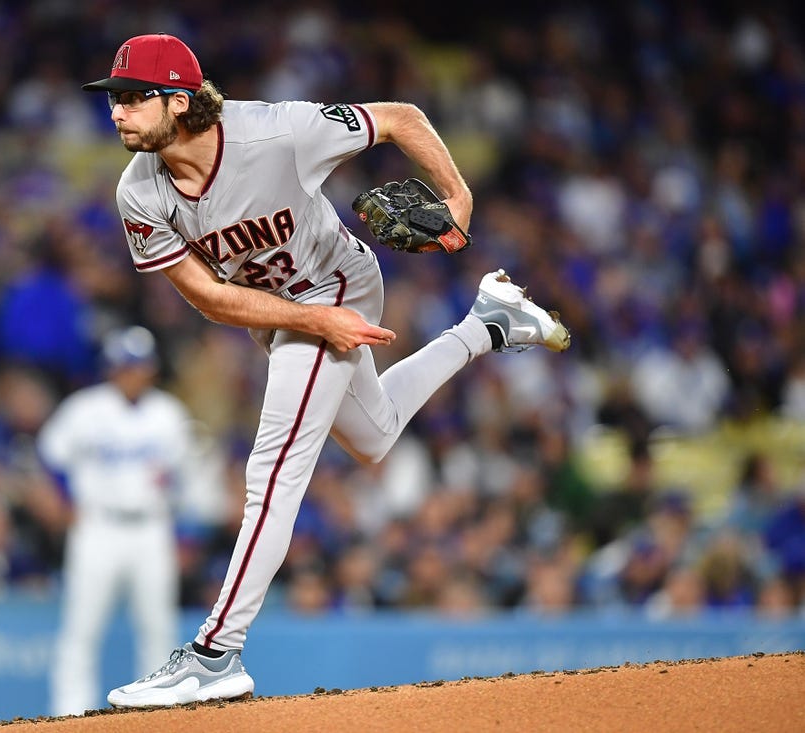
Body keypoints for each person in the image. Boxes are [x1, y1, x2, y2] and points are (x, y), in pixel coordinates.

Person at [81, 33, 570, 708]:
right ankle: (489, 324)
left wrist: (456, 199)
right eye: (116, 99)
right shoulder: (139, 192)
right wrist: (312, 324)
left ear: (179, 100)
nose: (118, 113)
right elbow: (209, 297)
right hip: (288, 314)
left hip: (336, 283)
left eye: (133, 98)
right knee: (374, 435)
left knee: (273, 466)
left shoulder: (277, 133)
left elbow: (400, 116)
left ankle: (216, 652)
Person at [38, 325, 196, 716]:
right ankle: (67, 717)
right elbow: (50, 455)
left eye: (140, 366)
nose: (133, 374)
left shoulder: (169, 413)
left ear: (152, 370)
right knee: (82, 628)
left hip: (151, 527)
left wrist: (182, 529)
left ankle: (155, 717)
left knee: (158, 629)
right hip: (98, 527)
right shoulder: (84, 408)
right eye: (126, 366)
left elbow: (183, 477)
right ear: (111, 368)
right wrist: (62, 499)